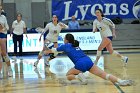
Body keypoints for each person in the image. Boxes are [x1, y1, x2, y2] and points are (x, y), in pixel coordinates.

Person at [44, 33, 132, 86]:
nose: (63, 40)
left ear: (66, 40)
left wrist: (46, 51)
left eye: (64, 39)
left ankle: (78, 76)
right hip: (88, 61)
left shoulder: (65, 46)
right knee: (105, 75)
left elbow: (53, 50)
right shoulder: (75, 45)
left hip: (80, 64)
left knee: (68, 76)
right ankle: (121, 81)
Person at [0, 5, 13, 77]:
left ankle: (10, 69)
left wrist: (2, 29)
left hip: (2, 34)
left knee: (4, 53)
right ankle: (0, 71)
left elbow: (7, 27)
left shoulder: (3, 17)